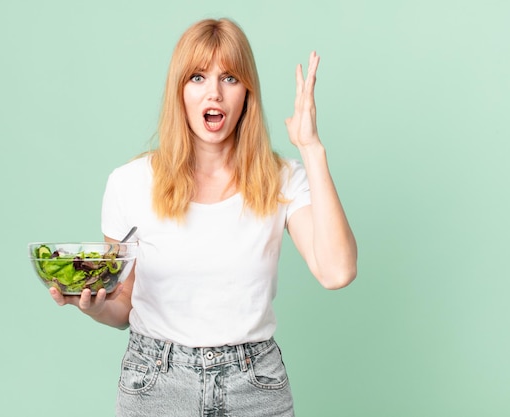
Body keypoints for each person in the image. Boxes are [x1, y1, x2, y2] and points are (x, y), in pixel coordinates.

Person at [50, 17, 357, 417]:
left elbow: (336, 272)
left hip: (255, 386)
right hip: (155, 384)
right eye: (197, 77)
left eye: (229, 78)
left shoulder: (281, 177)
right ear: (179, 90)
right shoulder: (130, 183)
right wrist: (92, 306)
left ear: (247, 92)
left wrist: (312, 148)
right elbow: (124, 305)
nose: (214, 92)